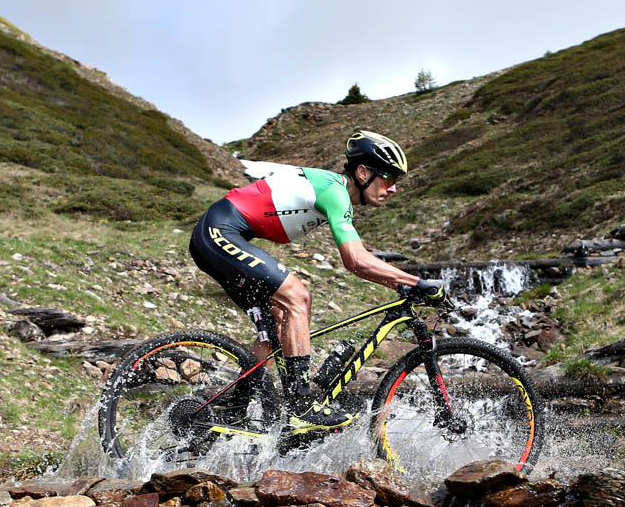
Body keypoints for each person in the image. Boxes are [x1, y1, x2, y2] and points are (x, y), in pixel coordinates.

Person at [189, 129, 444, 436]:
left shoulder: (336, 193)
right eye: (389, 178)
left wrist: (390, 273)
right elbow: (354, 261)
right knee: (298, 298)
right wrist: (416, 283)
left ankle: (231, 413)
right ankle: (301, 409)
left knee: (278, 324)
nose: (393, 189)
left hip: (221, 234)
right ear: (363, 172)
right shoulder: (336, 191)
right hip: (219, 232)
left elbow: (358, 252)